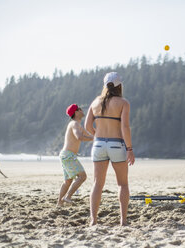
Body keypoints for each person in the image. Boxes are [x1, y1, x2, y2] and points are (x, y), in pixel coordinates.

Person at [85, 72, 135, 226]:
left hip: (98, 144)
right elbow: (125, 127)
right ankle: (123, 220)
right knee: (122, 184)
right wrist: (130, 149)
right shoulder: (123, 103)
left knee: (97, 184)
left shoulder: (95, 102)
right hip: (116, 144)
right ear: (119, 85)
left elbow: (87, 126)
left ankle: (94, 220)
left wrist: (97, 136)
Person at [57, 104, 94, 207]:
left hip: (65, 155)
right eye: (80, 109)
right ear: (76, 112)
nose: (82, 110)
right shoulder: (74, 124)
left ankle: (59, 203)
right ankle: (67, 197)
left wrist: (95, 137)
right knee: (82, 176)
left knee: (68, 181)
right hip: (68, 155)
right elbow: (79, 137)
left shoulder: (77, 124)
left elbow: (89, 135)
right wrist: (93, 139)